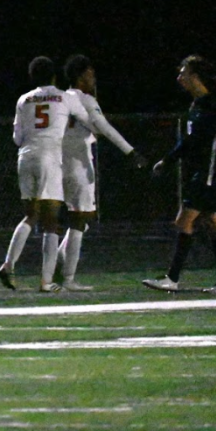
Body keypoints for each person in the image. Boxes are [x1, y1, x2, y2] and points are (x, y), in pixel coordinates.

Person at [0, 57, 94, 293]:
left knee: (30, 215)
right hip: (49, 157)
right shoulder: (63, 97)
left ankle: (8, 264)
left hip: (26, 156)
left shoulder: (24, 99)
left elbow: (16, 138)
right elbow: (89, 119)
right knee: (51, 222)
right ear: (54, 77)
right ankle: (46, 281)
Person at [59, 55, 147, 290]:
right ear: (80, 77)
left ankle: (58, 270)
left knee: (79, 219)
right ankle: (67, 278)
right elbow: (103, 126)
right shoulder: (85, 99)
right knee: (80, 218)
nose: (93, 79)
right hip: (78, 163)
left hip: (57, 162)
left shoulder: (60, 98)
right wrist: (130, 151)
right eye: (90, 74)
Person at [142, 55, 216, 292]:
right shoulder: (197, 105)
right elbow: (191, 141)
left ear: (195, 76)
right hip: (204, 173)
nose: (179, 77)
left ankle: (172, 279)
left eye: (183, 72)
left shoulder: (211, 105)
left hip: (209, 174)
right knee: (211, 222)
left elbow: (196, 141)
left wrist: (169, 159)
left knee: (183, 221)